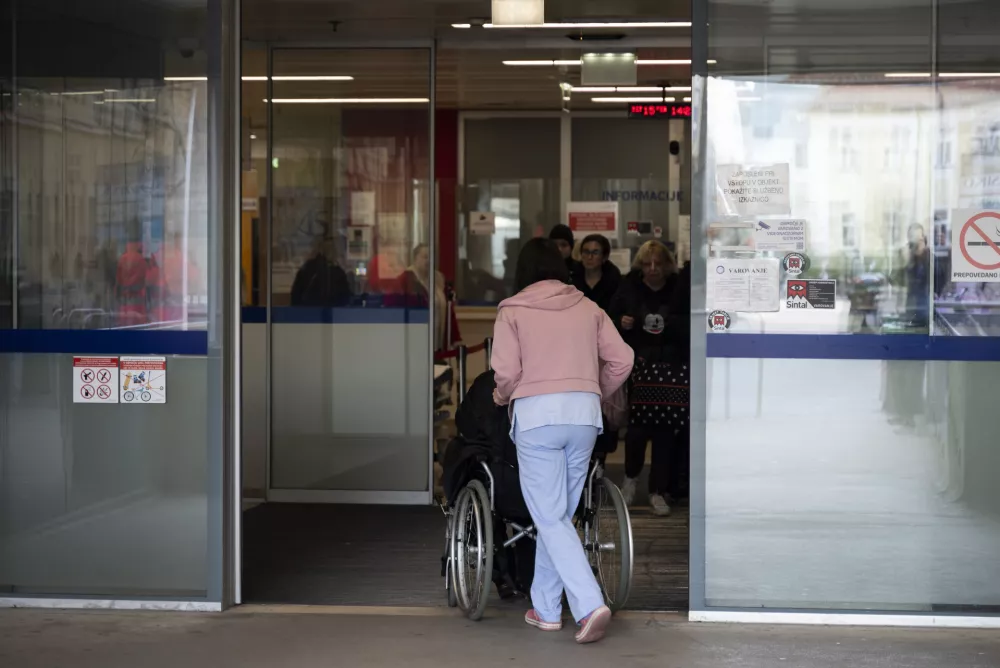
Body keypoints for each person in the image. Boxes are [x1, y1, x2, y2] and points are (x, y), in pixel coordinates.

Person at [492, 237, 633, 644]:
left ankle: (589, 604)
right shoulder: (588, 307)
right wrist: (595, 390)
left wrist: (504, 397)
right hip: (584, 417)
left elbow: (504, 372)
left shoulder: (513, 310)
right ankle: (547, 609)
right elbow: (623, 359)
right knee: (558, 518)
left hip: (538, 417)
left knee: (550, 517)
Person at [609, 240, 685, 517]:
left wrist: (671, 324)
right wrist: (622, 322)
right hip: (638, 363)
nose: (652, 269)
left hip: (669, 365)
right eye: (647, 263)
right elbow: (610, 316)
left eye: (658, 263)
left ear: (667, 264)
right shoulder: (629, 286)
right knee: (637, 429)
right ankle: (630, 481)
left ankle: (657, 490)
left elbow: (689, 321)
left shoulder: (678, 287)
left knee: (665, 431)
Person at [572, 234, 623, 465]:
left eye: (595, 252)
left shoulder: (615, 281)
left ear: (604, 257)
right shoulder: (571, 280)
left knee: (604, 403)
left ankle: (600, 455)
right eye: (586, 252)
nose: (589, 257)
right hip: (577, 347)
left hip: (604, 349)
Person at [388, 243, 462, 352]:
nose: (428, 261)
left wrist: (454, 338)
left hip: (438, 340)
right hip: (415, 341)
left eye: (431, 257)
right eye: (425, 257)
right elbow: (393, 309)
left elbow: (449, 309)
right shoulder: (405, 280)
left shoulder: (439, 279)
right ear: (415, 258)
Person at [290, 237, 351, 307]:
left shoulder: (307, 268)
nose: (334, 252)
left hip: (308, 313)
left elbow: (296, 296)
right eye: (330, 249)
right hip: (328, 312)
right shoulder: (310, 270)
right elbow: (345, 298)